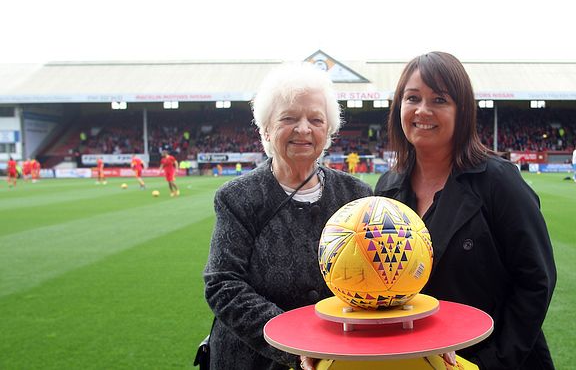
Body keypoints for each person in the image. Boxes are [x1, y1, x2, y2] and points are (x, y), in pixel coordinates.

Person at [374, 52, 556, 369]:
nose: (422, 110)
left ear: (463, 111)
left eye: (439, 100)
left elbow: (536, 281)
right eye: (412, 98)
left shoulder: (498, 182)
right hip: (414, 360)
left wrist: (491, 362)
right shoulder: (388, 188)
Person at [203, 63, 372, 370]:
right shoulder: (238, 197)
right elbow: (223, 283)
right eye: (289, 118)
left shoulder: (358, 195)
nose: (304, 129)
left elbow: (382, 276)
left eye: (316, 119)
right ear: (266, 129)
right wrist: (296, 344)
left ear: (329, 130)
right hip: (251, 360)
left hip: (338, 357)